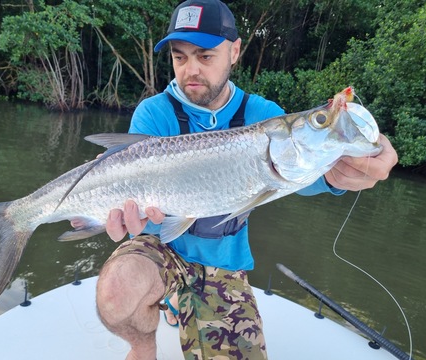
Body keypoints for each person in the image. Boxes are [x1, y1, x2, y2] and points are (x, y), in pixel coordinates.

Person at [94, 1, 398, 359]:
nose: (190, 69)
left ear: (234, 51)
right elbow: (135, 202)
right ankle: (144, 344)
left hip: (225, 261)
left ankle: (182, 299)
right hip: (162, 249)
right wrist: (122, 216)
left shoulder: (265, 116)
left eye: (205, 56)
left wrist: (343, 171)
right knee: (115, 293)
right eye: (179, 57)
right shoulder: (153, 113)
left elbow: (306, 173)